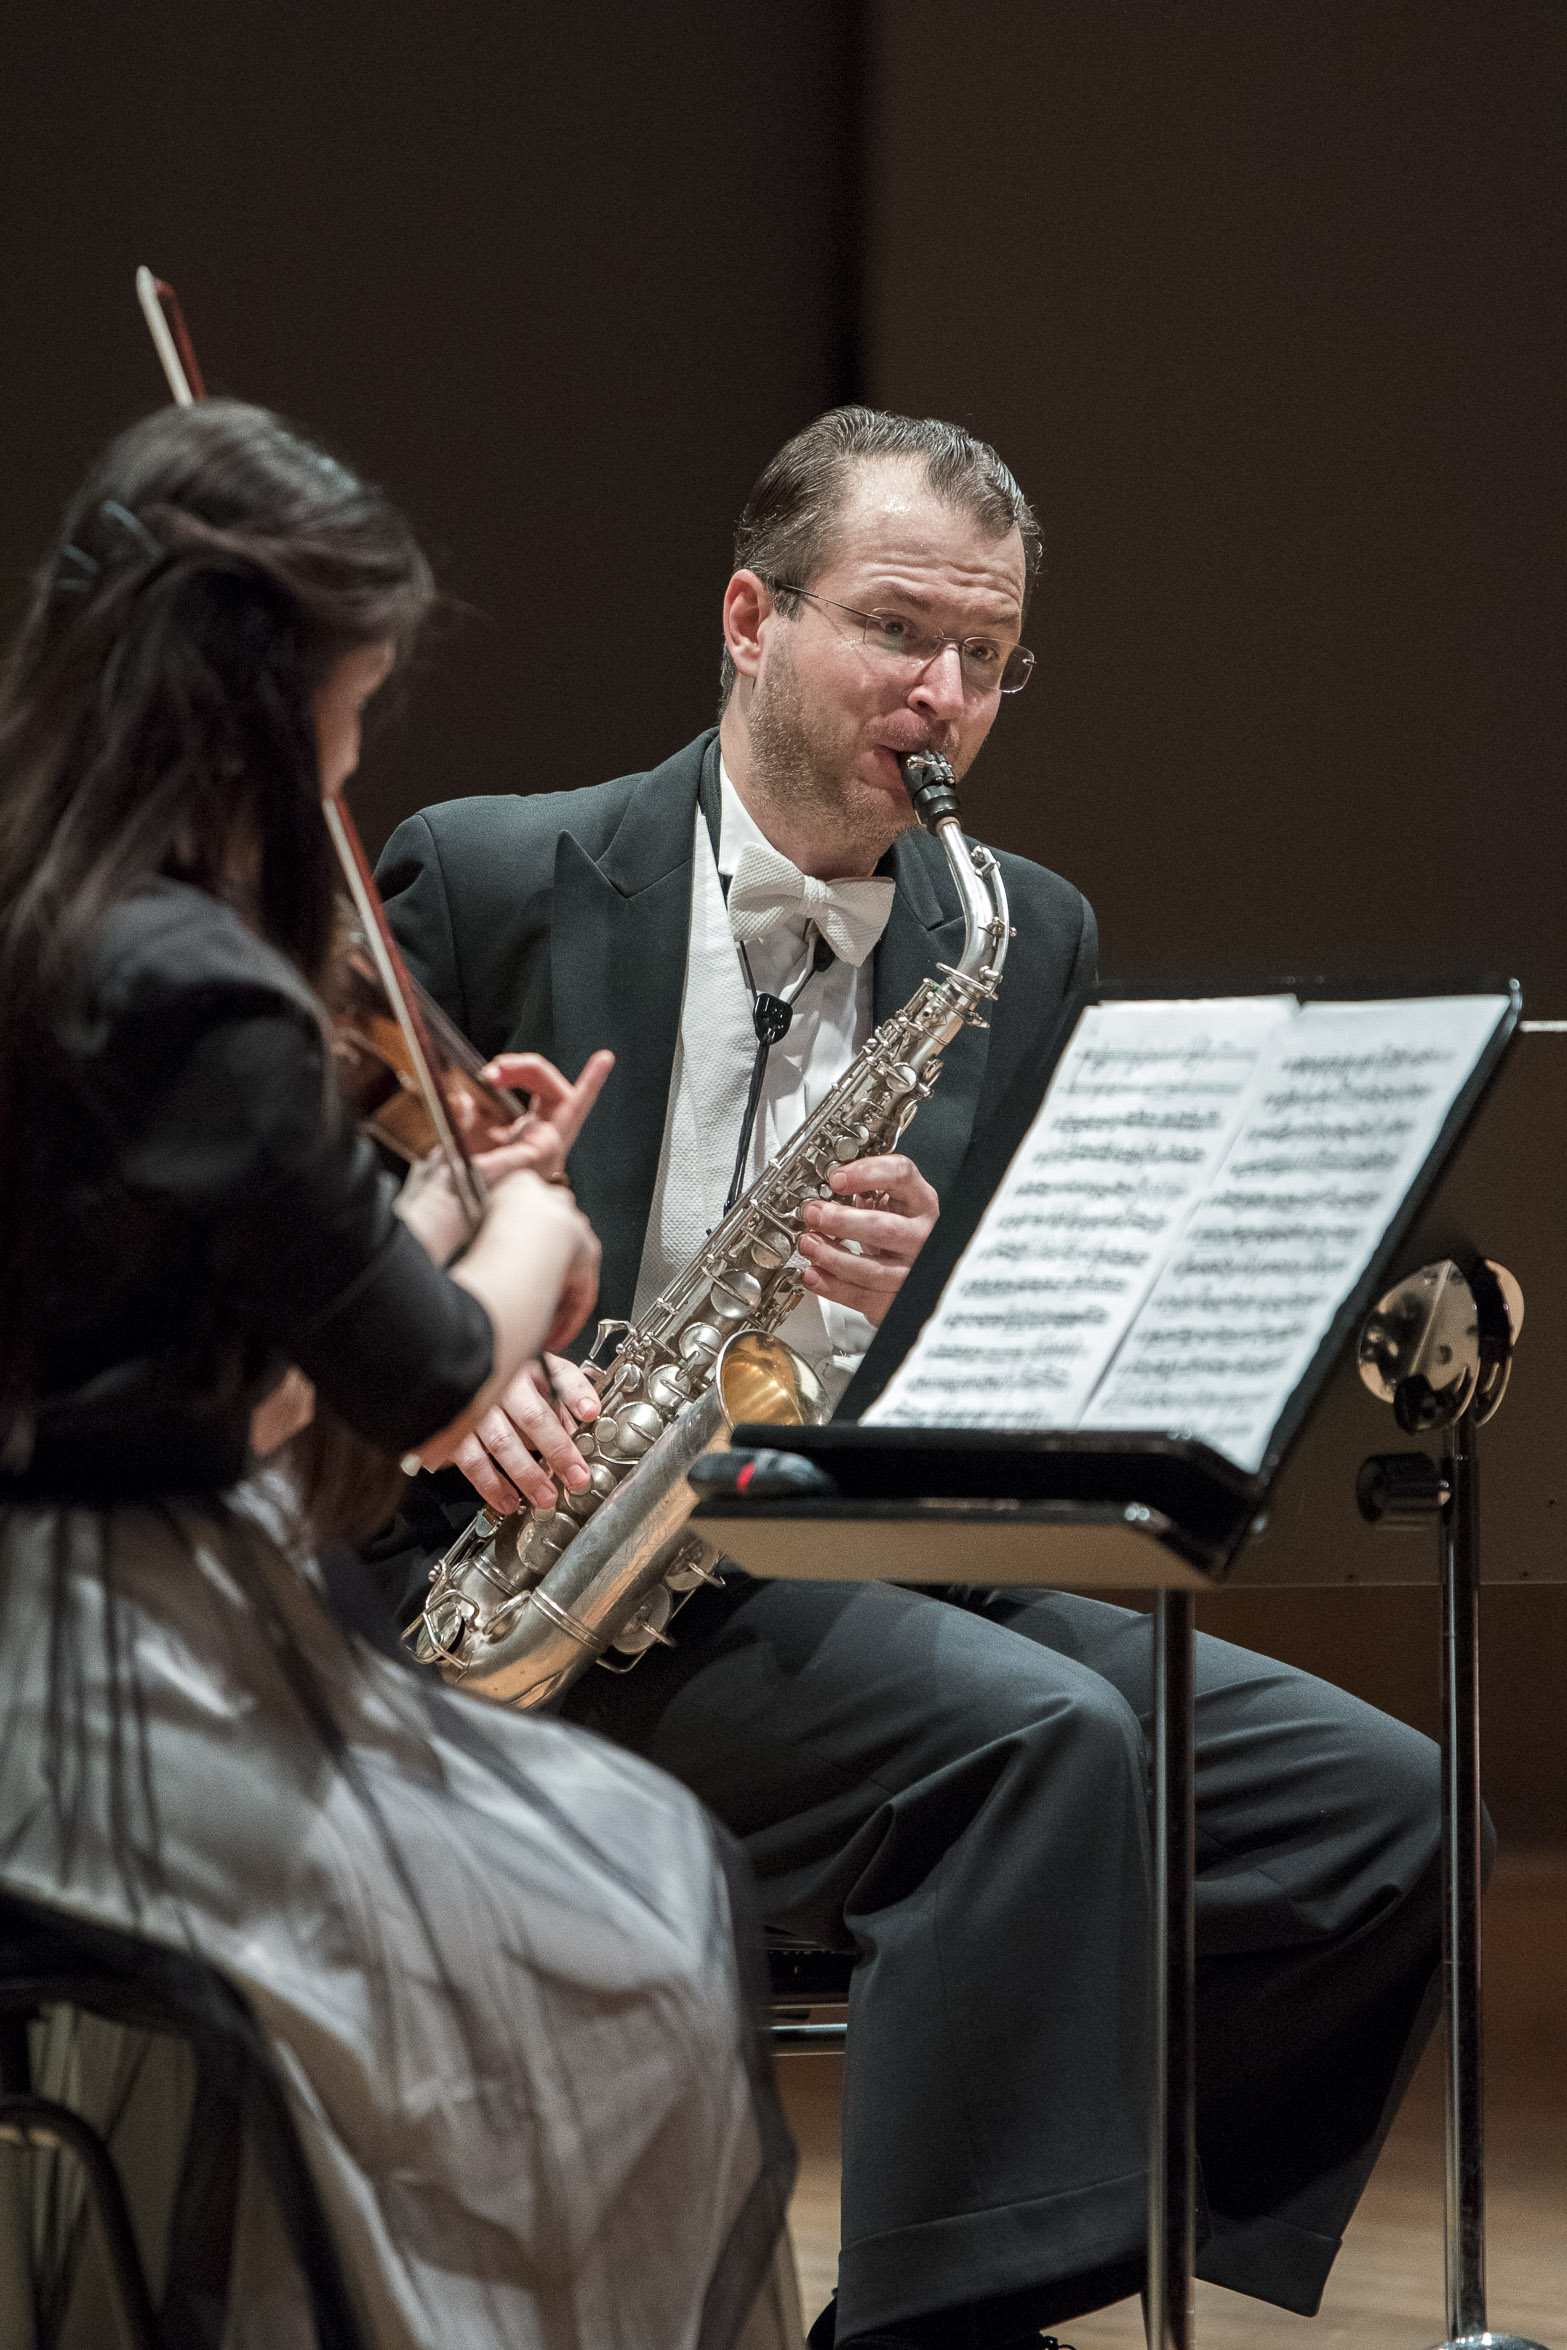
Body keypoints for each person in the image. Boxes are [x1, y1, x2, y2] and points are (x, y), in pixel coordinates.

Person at [377, 408, 1450, 2348]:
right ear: (746, 618)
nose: (943, 694)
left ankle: (1032, 2219)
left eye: (987, 654)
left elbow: (1009, 1358)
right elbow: (311, 1265)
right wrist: (458, 1371)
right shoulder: (489, 872)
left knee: (1374, 1805)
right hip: (533, 1581)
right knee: (1043, 1751)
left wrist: (914, 1302)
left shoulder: (1015, 935)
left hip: (846, 1536)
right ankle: (940, 2319)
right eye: (896, 630)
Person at [0, 398, 794, 2350]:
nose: (357, 750)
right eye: (349, 701)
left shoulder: (53, 929)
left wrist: (432, 1198)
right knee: (636, 1905)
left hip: (77, 1628)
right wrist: (538, 1227)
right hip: (103, 1684)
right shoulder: (191, 979)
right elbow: (432, 1379)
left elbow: (220, 1338)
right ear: (264, 700)